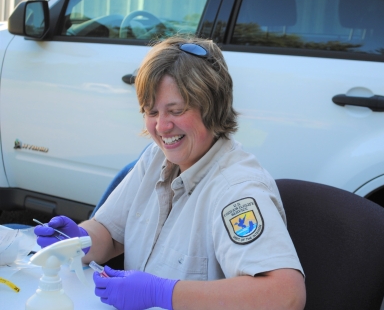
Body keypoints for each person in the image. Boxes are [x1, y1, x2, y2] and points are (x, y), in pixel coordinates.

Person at [35, 36, 306, 310]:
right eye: (151, 112)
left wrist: (163, 293)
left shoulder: (237, 189)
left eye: (176, 111)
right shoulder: (156, 158)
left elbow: (286, 295)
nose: (162, 127)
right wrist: (78, 241)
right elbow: (111, 232)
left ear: (212, 107)